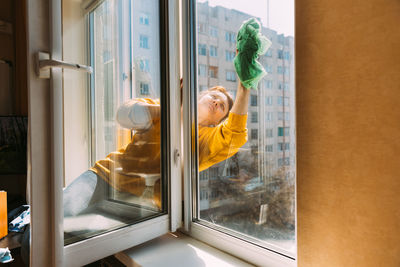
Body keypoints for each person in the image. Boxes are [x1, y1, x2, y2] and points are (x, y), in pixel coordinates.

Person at [63, 81, 250, 216]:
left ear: (216, 122)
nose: (216, 102)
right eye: (214, 97)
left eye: (222, 107)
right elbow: (124, 115)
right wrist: (171, 110)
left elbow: (234, 133)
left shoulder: (207, 141)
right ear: (201, 95)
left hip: (139, 201)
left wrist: (244, 86)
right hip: (104, 175)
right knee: (57, 221)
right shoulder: (163, 105)